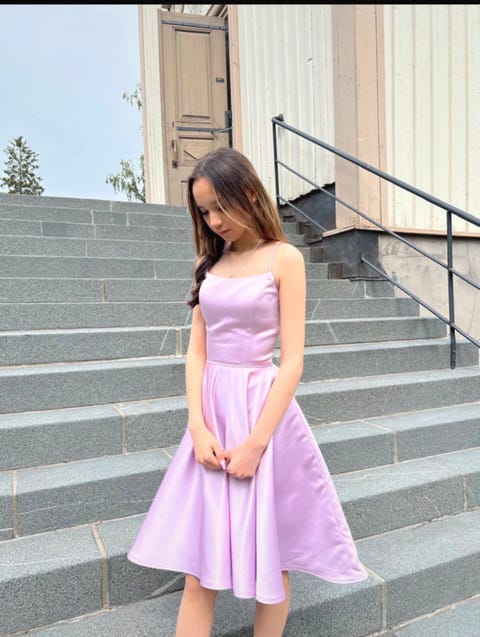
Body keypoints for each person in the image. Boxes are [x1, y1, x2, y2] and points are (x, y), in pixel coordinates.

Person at [127, 147, 368, 636]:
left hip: (263, 414)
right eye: (204, 212)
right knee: (198, 567)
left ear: (249, 194)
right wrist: (197, 426)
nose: (214, 221)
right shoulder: (208, 262)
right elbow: (196, 352)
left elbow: (292, 360)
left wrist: (257, 444)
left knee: (272, 559)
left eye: (220, 206)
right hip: (213, 414)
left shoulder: (285, 258)